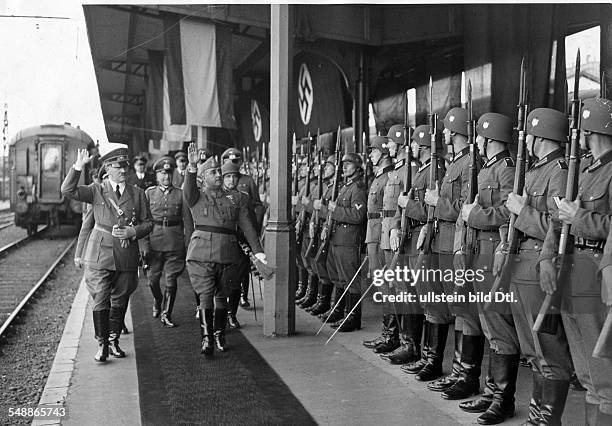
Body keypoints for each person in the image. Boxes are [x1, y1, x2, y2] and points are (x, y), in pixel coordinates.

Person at [500, 107, 574, 424]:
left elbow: (559, 229)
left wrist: (523, 211)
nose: (526, 141)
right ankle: (537, 415)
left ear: (539, 137)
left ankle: (547, 419)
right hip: (521, 262)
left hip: (538, 267)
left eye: (529, 135)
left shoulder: (559, 172)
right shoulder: (534, 171)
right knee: (532, 350)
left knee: (548, 350)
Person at [541, 97, 612, 425]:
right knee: (585, 373)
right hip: (570, 269)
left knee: (604, 375)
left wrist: (578, 217)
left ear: (590, 131)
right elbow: (558, 221)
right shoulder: (582, 169)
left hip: (595, 272)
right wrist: (547, 258)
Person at [61, 146, 152, 362]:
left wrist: (133, 231)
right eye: (118, 167)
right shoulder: (96, 190)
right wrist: (77, 167)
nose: (123, 171)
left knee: (120, 300)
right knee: (101, 298)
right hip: (100, 253)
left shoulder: (138, 194)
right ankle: (101, 343)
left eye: (125, 167)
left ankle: (113, 340)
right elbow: (67, 190)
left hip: (126, 253)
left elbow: (148, 223)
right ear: (108, 168)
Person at [458, 112, 519, 425]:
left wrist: (474, 216)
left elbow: (509, 213)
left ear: (491, 137)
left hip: (494, 251)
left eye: (481, 138)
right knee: (487, 321)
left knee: (498, 323)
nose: (477, 143)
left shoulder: (506, 169)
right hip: (478, 249)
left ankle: (502, 400)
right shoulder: (488, 169)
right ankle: (492, 390)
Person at [183, 143, 266, 356]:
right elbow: (188, 187)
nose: (218, 175)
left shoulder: (235, 197)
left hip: (228, 253)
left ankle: (219, 334)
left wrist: (258, 252)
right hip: (201, 253)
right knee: (205, 296)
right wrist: (192, 168)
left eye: (219, 171)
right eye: (213, 172)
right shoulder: (196, 196)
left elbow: (247, 226)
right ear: (203, 178)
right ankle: (206, 338)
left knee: (222, 296)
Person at [427, 107, 486, 400]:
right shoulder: (457, 163)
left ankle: (468, 375)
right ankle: (459, 371)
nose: (445, 135)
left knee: (467, 311)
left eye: (448, 130)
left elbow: (464, 210)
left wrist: (437, 202)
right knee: (459, 310)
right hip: (449, 242)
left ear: (454, 132)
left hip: (460, 242)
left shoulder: (470, 164)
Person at [389, 123, 446, 380]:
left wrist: (407, 204)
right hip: (412, 239)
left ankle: (428, 357)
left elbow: (427, 211)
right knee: (414, 296)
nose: (409, 147)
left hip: (424, 239)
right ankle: (415, 349)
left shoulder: (435, 170)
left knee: (429, 300)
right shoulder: (422, 170)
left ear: (422, 147)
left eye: (413, 143)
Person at [316, 152, 367, 332]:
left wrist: (335, 209)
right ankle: (344, 313)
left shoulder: (358, 188)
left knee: (351, 280)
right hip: (338, 238)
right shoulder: (347, 186)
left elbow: (358, 215)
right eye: (343, 164)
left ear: (358, 167)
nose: (344, 167)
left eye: (349, 164)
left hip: (349, 240)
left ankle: (353, 317)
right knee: (343, 279)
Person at [141, 156, 188, 328]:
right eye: (162, 173)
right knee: (152, 280)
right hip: (154, 242)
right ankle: (158, 300)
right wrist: (144, 244)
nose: (166, 177)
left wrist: (186, 243)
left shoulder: (180, 194)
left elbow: (186, 221)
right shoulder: (149, 193)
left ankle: (166, 313)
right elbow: (143, 221)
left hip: (174, 242)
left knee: (171, 280)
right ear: (156, 175)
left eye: (168, 173)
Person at [221, 147, 265, 309]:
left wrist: (254, 227)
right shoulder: (219, 186)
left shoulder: (247, 180)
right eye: (230, 161)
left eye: (236, 161)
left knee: (243, 268)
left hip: (244, 232)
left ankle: (242, 296)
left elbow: (257, 206)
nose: (233, 164)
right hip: (227, 235)